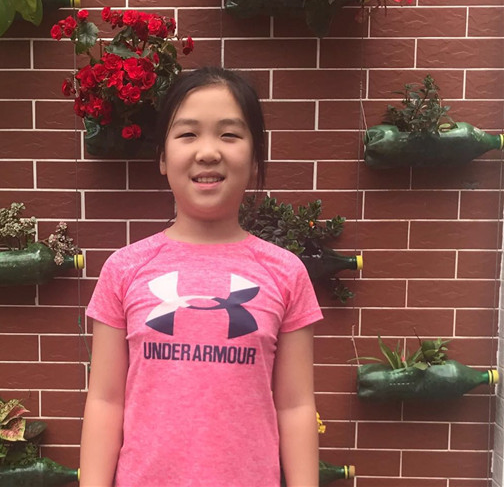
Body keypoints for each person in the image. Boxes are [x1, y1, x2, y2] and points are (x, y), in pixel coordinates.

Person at [80, 67, 323, 487]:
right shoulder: (124, 269)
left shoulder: (286, 273)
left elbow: (296, 405)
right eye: (188, 134)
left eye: (229, 134)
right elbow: (105, 400)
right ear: (162, 157)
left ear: (255, 158)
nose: (208, 152)